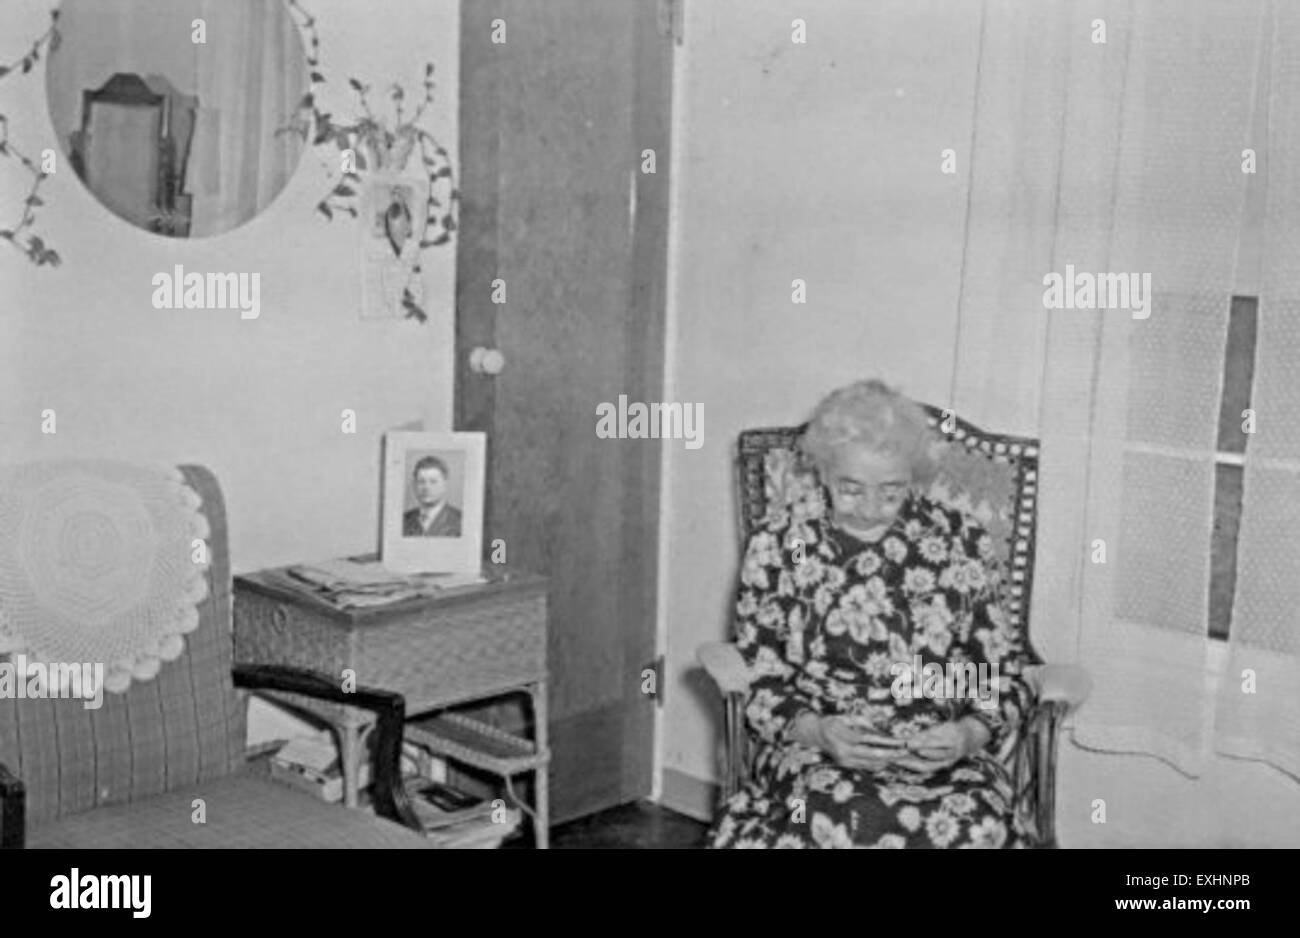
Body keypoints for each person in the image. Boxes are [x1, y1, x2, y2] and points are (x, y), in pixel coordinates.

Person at [709, 379, 1035, 848]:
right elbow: (760, 671)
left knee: (977, 822)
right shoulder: (781, 542)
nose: (870, 509)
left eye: (891, 491)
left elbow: (998, 671)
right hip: (819, 747)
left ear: (913, 478)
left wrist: (966, 735)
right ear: (823, 472)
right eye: (851, 489)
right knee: (839, 813)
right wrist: (818, 732)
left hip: (939, 750)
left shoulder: (960, 540)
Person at [402, 455, 462, 537]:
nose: (426, 488)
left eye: (433, 482)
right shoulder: (403, 520)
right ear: (414, 485)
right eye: (421, 482)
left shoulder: (461, 521)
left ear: (445, 485)